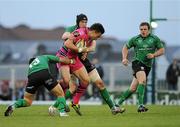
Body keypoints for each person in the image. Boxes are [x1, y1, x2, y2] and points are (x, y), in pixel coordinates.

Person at [58, 14, 124, 115]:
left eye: (86, 22)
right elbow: (65, 38)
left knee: (98, 83)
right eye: (82, 22)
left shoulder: (89, 32)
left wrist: (86, 50)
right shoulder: (75, 30)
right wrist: (76, 40)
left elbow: (92, 46)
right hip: (69, 58)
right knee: (72, 87)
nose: (84, 24)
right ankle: (57, 106)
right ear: (77, 22)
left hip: (81, 59)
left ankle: (113, 107)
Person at [4, 55, 75, 117]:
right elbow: (60, 59)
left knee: (27, 100)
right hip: (44, 73)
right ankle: (62, 112)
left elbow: (32, 79)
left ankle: (13, 106)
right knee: (60, 94)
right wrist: (71, 61)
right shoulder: (43, 57)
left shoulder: (31, 67)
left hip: (32, 77)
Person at [117, 22, 165, 112]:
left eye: (145, 29)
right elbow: (125, 47)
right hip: (137, 63)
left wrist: (154, 55)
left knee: (133, 88)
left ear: (149, 30)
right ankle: (140, 105)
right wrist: (124, 58)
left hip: (147, 66)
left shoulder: (154, 39)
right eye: (141, 29)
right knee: (142, 81)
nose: (143, 31)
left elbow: (162, 50)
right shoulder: (135, 39)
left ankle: (117, 104)